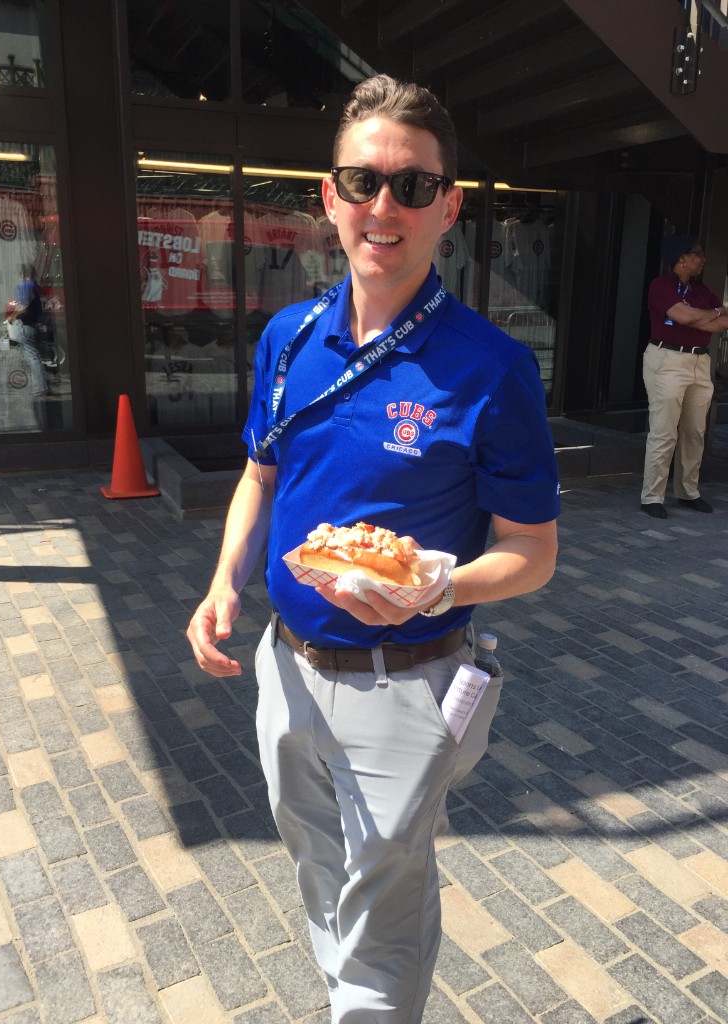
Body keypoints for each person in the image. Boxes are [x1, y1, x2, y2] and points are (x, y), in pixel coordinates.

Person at [188, 74, 560, 1024]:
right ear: (329, 196)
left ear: (451, 208)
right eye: (362, 183)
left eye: (413, 186)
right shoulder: (289, 336)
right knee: (320, 864)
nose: (383, 207)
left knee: (386, 895)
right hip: (286, 667)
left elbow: (533, 552)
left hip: (410, 678)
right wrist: (224, 579)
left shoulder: (492, 366)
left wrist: (440, 585)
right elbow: (261, 473)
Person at [640, 234, 728, 518]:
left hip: (699, 361)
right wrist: (711, 313)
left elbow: (721, 323)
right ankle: (652, 496)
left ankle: (688, 492)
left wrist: (704, 314)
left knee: (694, 431)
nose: (703, 260)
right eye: (698, 254)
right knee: (664, 430)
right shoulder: (661, 286)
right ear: (681, 258)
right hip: (667, 359)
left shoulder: (702, 291)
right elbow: (686, 317)